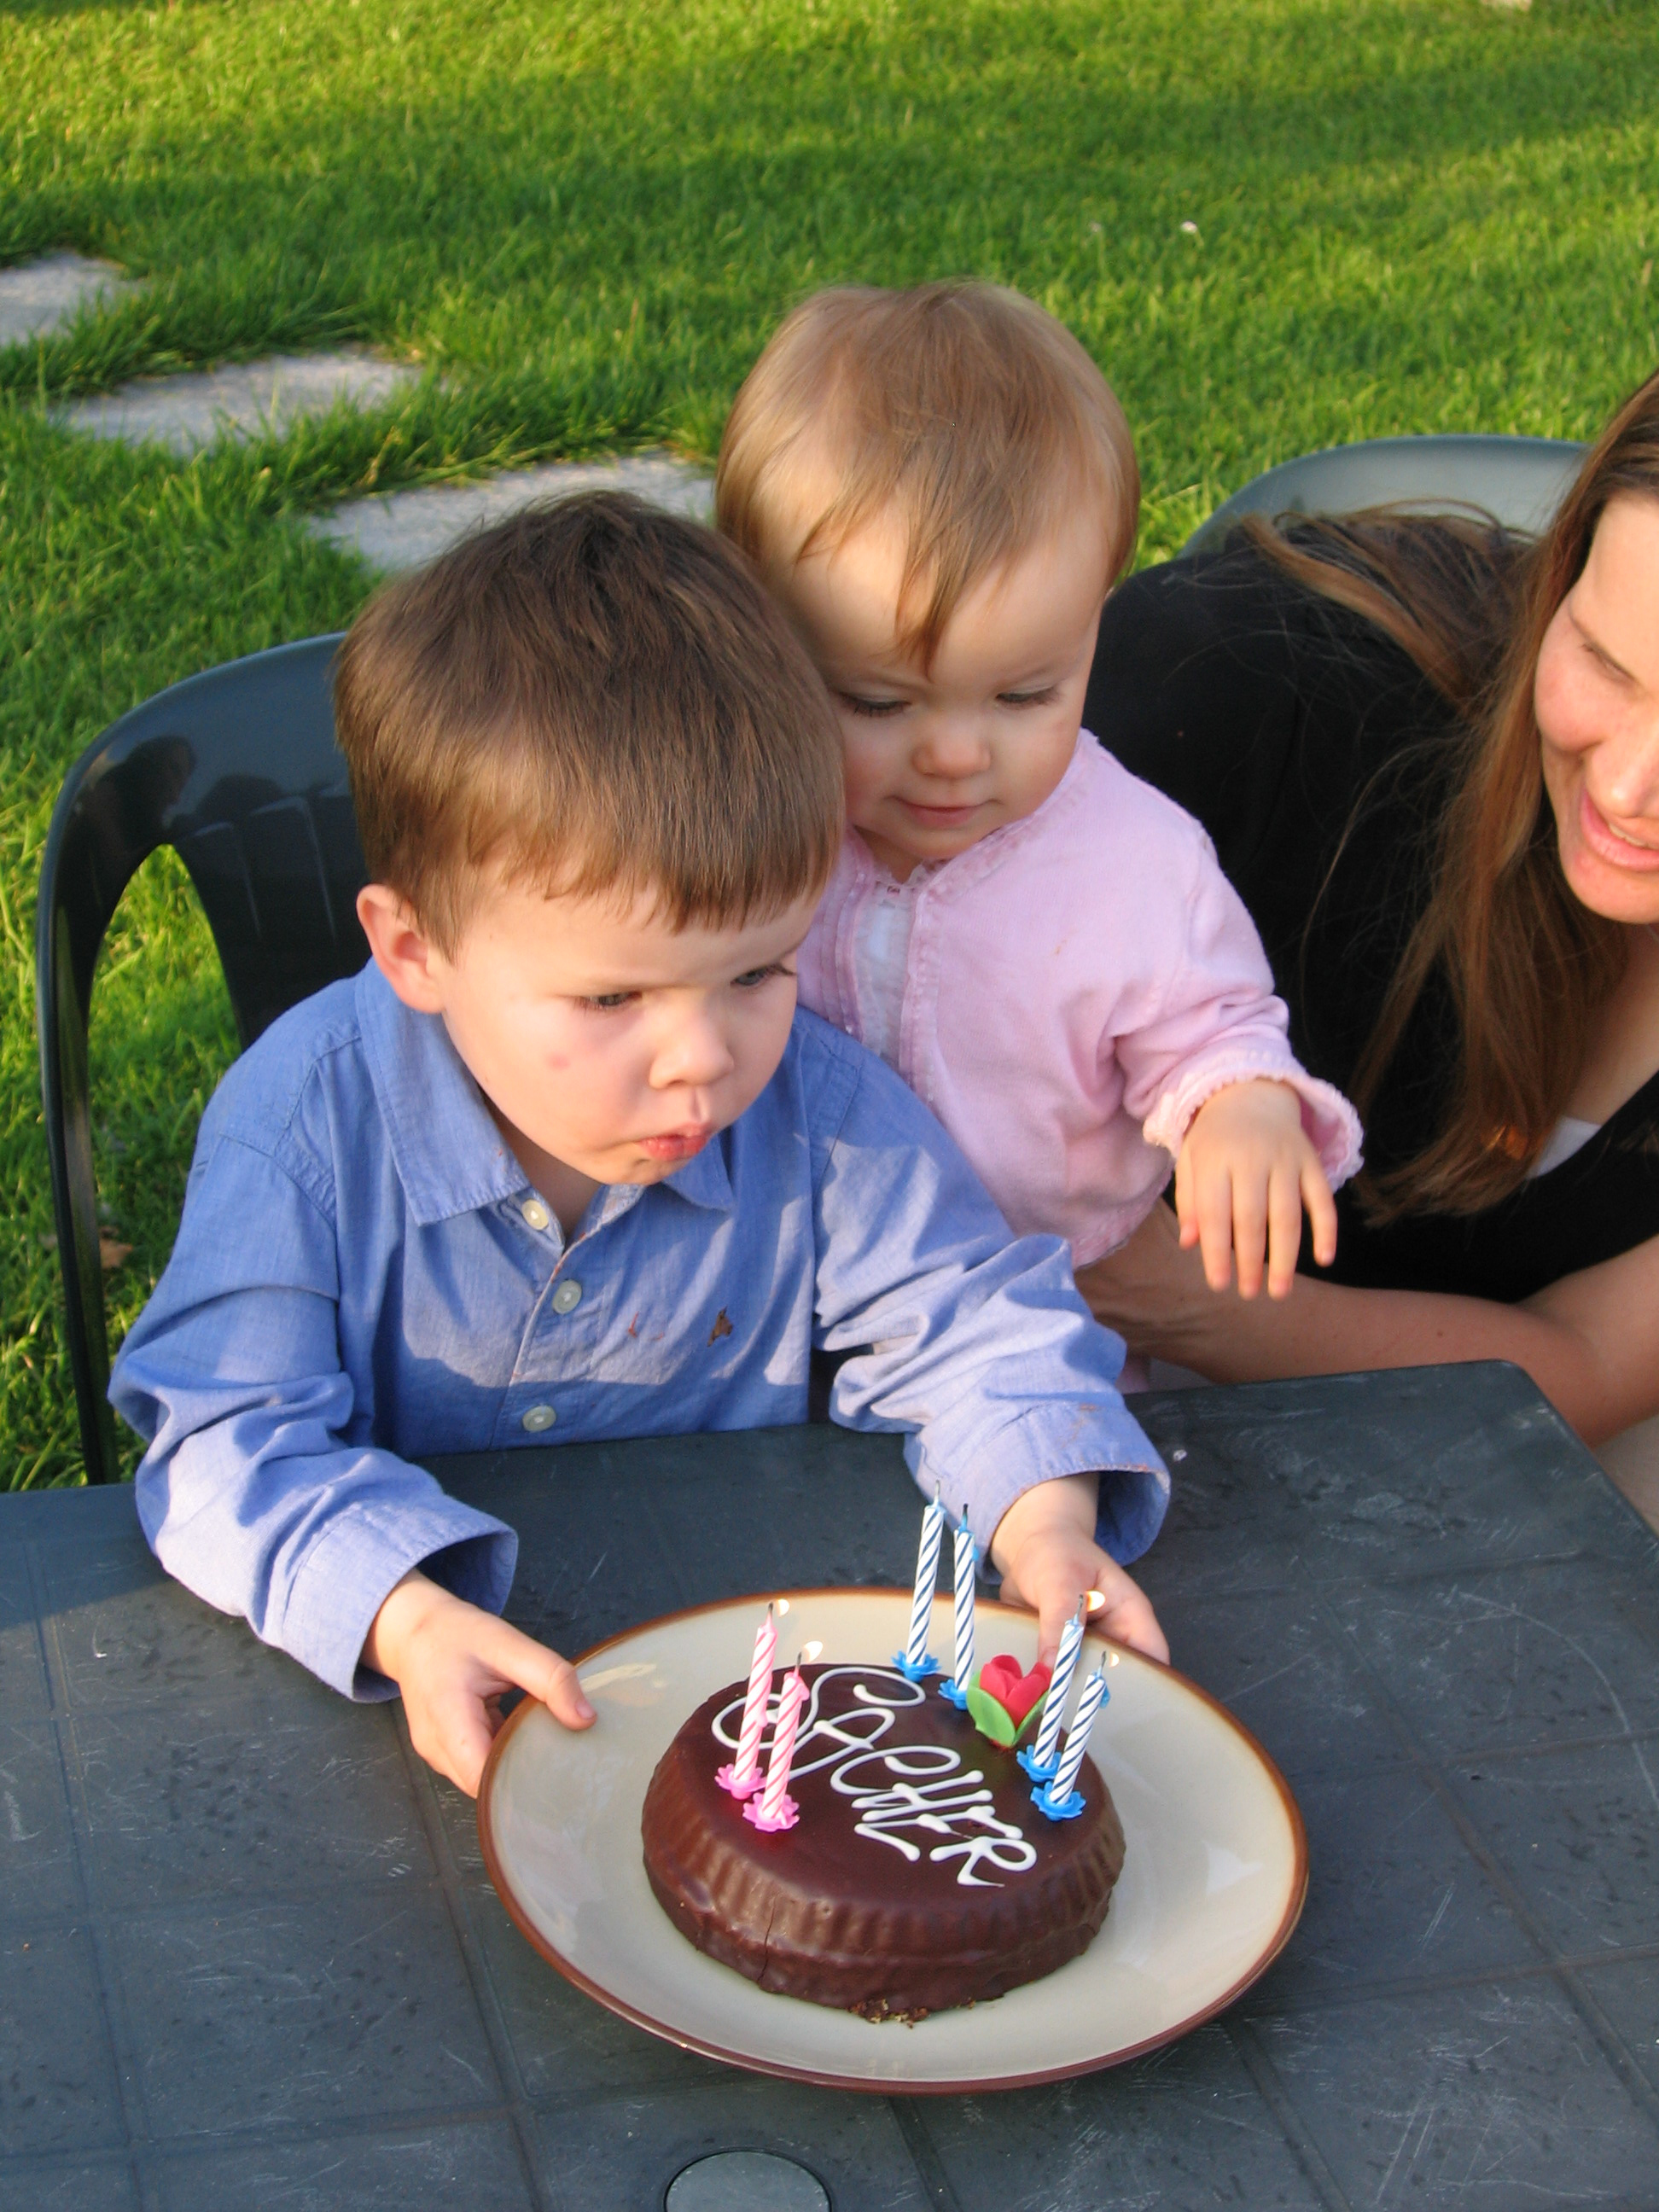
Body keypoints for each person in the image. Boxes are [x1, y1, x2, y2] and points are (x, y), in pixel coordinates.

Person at [109, 494, 1173, 1800]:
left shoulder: (818, 1106)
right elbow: (222, 1430)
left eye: (758, 971)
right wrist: (396, 1608)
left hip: (748, 1717)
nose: (703, 1058)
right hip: (399, 1741)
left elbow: (971, 1321)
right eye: (613, 999)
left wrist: (1045, 1520)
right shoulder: (303, 1130)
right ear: (414, 951)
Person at [714, 281, 1362, 1364]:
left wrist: (1240, 1109)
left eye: (1026, 695)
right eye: (877, 702)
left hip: (1046, 1309)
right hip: (773, 1290)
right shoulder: (745, 809)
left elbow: (1207, 1027)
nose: (957, 756)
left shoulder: (1133, 863)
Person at [1076, 367, 1659, 1524]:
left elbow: (1588, 1364)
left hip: (1486, 1478)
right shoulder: (1256, 682)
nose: (1632, 787)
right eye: (1605, 662)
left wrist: (1167, 1289)